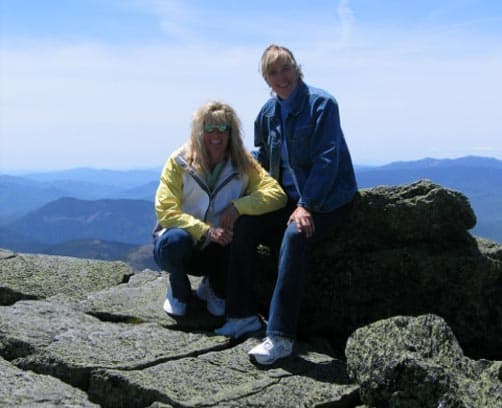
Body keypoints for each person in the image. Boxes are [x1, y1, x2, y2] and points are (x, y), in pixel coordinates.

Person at [215, 45, 358, 365]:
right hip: (287, 199)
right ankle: (242, 315)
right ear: (265, 78)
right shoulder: (266, 115)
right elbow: (262, 167)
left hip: (329, 199)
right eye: (273, 72)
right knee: (245, 225)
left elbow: (327, 161)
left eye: (286, 68)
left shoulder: (321, 104)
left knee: (294, 236)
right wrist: (242, 204)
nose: (281, 77)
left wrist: (307, 205)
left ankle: (280, 336)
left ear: (297, 68)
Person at [153, 101, 287, 318]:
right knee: (174, 241)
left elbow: (276, 195)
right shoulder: (179, 161)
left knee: (237, 236)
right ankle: (178, 289)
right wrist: (205, 231)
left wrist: (238, 207)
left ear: (231, 132)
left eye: (223, 128)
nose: (217, 135)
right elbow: (165, 211)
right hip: (181, 243)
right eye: (209, 128)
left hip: (218, 248)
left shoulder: (242, 162)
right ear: (199, 131)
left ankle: (212, 288)